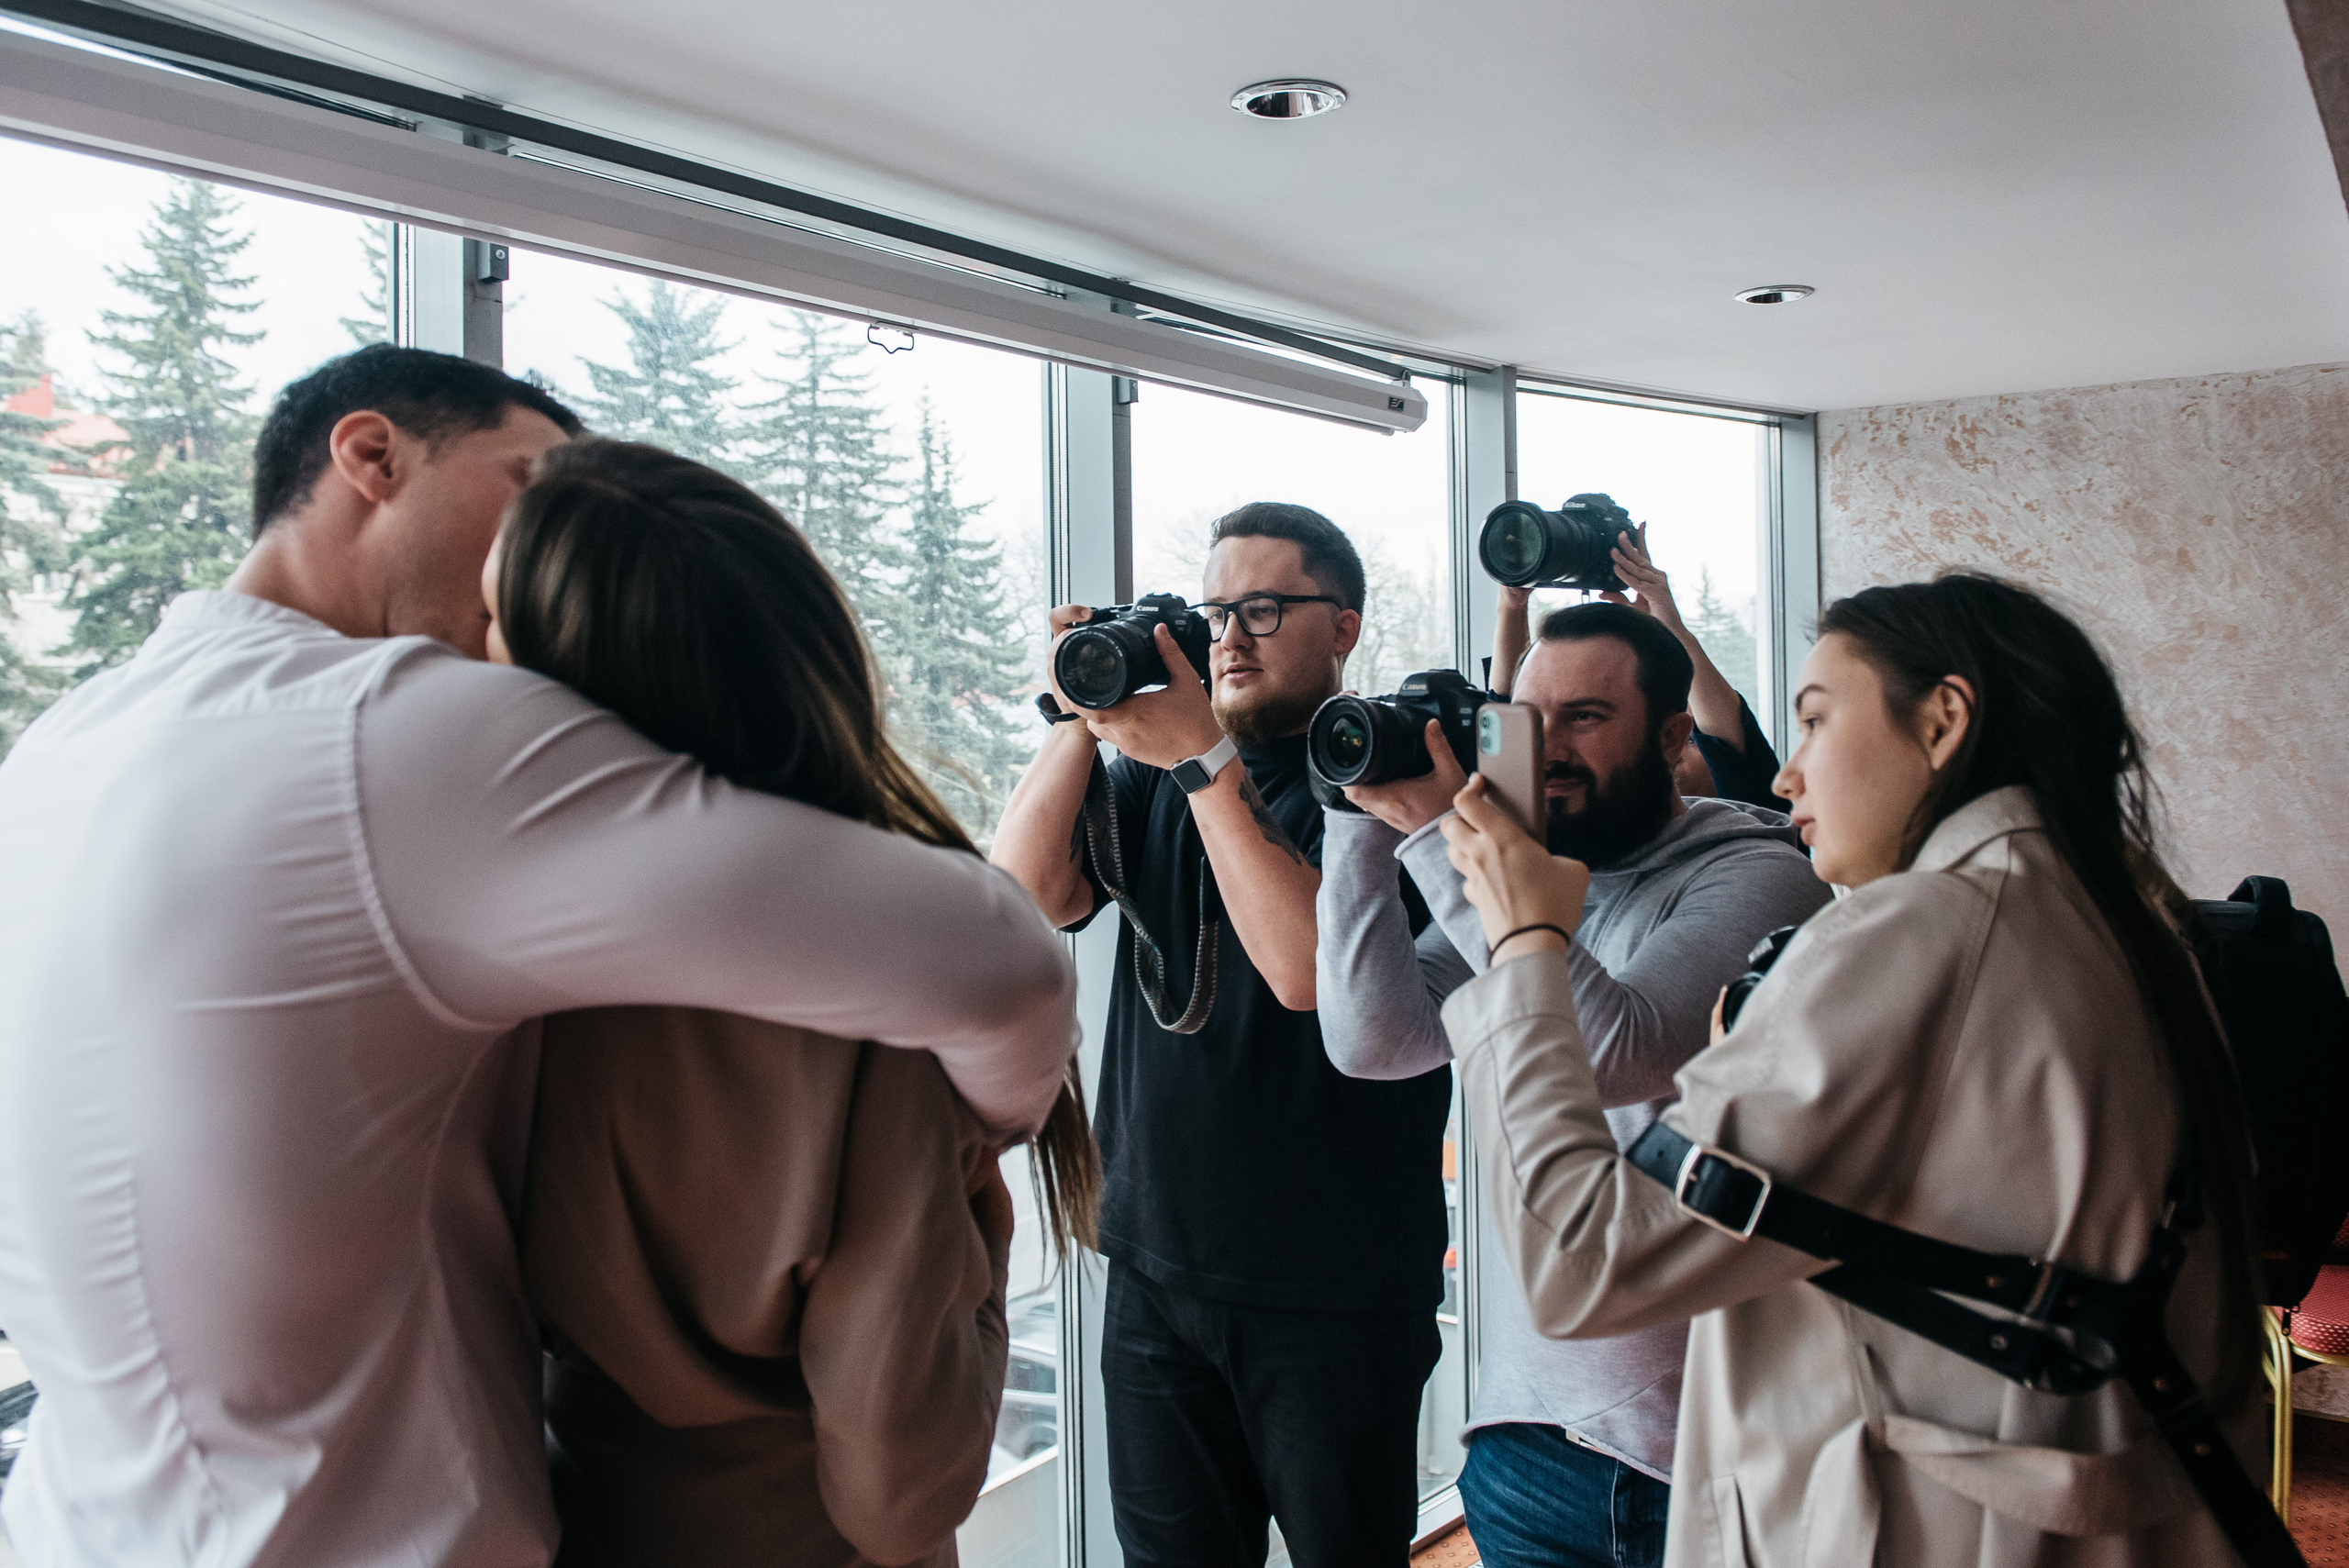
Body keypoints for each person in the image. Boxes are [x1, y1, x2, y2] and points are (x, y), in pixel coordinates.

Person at [0, 347, 1078, 1568]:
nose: (552, 541)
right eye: (531, 484)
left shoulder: (60, 746)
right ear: (372, 456)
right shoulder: (399, 736)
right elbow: (1000, 960)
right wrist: (977, 1130)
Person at [1437, 573, 2264, 1566]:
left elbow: (1582, 1264)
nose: (1786, 776)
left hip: (1929, 1522)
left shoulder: (1918, 931)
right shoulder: (2124, 922)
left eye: (1817, 720)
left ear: (1943, 721)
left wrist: (1525, 942)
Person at [484, 439, 1102, 1568]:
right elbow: (903, 1492)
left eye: (491, 626)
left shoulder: (483, 985)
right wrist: (977, 1203)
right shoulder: (876, 1017)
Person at [1316, 601, 1827, 1567]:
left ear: (1673, 736)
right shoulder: (1531, 875)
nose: (1545, 748)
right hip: (1525, 1441)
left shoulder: (1760, 878)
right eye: (1526, 718)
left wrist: (1449, 840)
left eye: (1586, 717)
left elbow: (1612, 1053)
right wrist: (1357, 824)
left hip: (1694, 1457)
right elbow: (1375, 1038)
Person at [990, 503, 1451, 1568]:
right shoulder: (1163, 772)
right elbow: (1021, 892)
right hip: (1155, 1263)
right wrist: (1083, 704)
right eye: (1213, 613)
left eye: (1263, 608)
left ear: (1342, 626)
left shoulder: (1387, 774)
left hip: (1334, 1285)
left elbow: (1303, 972)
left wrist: (1202, 760)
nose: (1230, 637)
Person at [1492, 531, 1785, 810]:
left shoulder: (1747, 826)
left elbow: (1730, 742)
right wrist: (1512, 604)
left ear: (1673, 734)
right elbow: (1508, 717)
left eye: (1693, 739)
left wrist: (1669, 625)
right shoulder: (1563, 813)